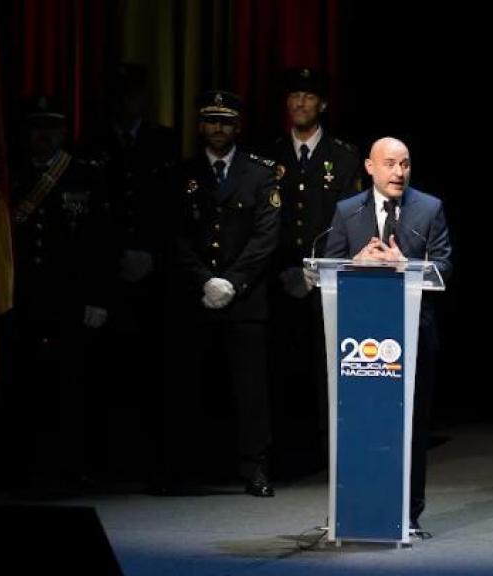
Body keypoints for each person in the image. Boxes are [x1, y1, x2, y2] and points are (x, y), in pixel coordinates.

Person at [323, 136, 452, 532]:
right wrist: (354, 262)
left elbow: (444, 267)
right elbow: (327, 263)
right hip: (359, 340)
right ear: (369, 167)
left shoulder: (429, 208)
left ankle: (408, 515)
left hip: (414, 335)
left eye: (405, 164)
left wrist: (407, 265)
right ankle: (356, 507)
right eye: (391, 164)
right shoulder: (347, 211)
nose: (399, 172)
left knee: (412, 424)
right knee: (359, 421)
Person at [160, 90, 281, 497]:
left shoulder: (261, 173)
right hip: (194, 297)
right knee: (186, 386)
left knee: (250, 390)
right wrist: (203, 281)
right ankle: (180, 468)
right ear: (200, 126)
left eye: (226, 121)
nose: (218, 128)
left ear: (238, 127)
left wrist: (233, 281)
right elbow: (174, 235)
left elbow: (267, 236)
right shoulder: (180, 174)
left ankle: (255, 468)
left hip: (244, 297)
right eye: (211, 120)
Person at [0, 95, 113, 496]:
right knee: (19, 385)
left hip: (70, 298)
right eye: (35, 127)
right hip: (19, 297)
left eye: (51, 128)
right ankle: (16, 466)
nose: (43, 136)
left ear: (63, 132)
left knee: (72, 388)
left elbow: (100, 242)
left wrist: (98, 298)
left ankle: (73, 466)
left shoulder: (85, 176)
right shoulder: (7, 177)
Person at [80, 62, 180, 482]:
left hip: (154, 273)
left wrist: (151, 255)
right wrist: (111, 265)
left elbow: (173, 208)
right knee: (106, 374)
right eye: (119, 95)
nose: (127, 103)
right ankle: (103, 462)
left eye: (134, 95)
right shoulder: (92, 142)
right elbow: (87, 217)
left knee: (153, 372)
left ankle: (152, 464)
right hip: (109, 274)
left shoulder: (164, 142)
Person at [265, 67, 361, 476]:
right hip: (278, 278)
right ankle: (280, 454)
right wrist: (286, 269)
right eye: (294, 96)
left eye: (308, 96)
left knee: (328, 372)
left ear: (322, 104)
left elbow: (350, 219)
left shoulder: (344, 156)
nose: (300, 103)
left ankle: (331, 455)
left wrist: (318, 268)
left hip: (328, 278)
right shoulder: (268, 155)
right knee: (276, 369)